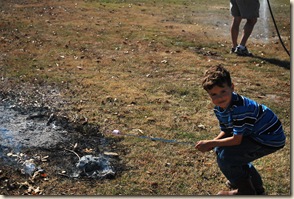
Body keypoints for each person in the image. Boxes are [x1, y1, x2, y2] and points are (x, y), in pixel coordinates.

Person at [195, 65, 286, 195]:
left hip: (268, 138)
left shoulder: (239, 109)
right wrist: (213, 142)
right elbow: (227, 130)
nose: (219, 98)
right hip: (254, 134)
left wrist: (211, 143)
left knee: (227, 157)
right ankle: (257, 188)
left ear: (232, 87)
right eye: (213, 94)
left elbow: (236, 140)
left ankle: (246, 190)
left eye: (223, 91)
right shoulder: (220, 108)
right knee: (223, 150)